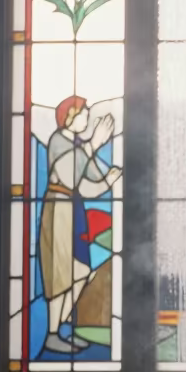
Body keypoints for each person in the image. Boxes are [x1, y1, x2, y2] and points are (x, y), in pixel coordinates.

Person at [39, 95, 122, 354]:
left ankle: (61, 326)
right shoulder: (58, 141)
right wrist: (93, 144)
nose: (88, 115)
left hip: (73, 208)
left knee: (82, 271)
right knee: (60, 276)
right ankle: (52, 334)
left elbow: (85, 187)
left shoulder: (76, 145)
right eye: (84, 111)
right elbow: (68, 176)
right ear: (70, 117)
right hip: (58, 210)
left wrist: (108, 181)